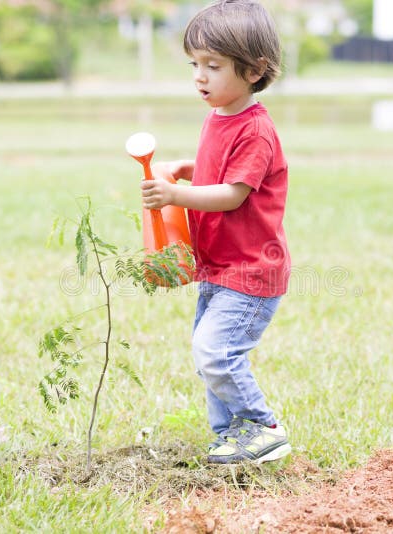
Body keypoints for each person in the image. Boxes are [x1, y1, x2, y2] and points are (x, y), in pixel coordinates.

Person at [141, 0, 291, 465]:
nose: (199, 77)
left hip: (250, 271)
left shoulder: (257, 131)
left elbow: (232, 195)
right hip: (218, 266)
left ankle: (263, 427)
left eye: (213, 65)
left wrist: (173, 197)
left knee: (215, 351)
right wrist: (188, 168)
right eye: (195, 64)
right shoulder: (220, 117)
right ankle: (231, 436)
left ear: (254, 70)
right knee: (208, 352)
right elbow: (216, 170)